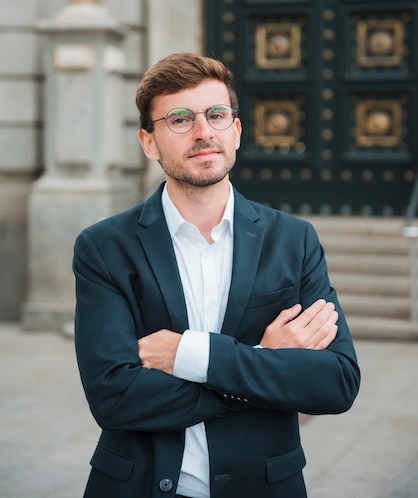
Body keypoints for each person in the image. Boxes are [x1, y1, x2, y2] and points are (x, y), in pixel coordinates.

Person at [73, 52, 360, 498]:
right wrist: (264, 357)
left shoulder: (293, 240)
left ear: (237, 131)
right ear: (149, 142)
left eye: (216, 115)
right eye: (180, 119)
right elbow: (113, 398)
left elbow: (336, 383)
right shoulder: (105, 248)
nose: (204, 131)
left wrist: (192, 356)